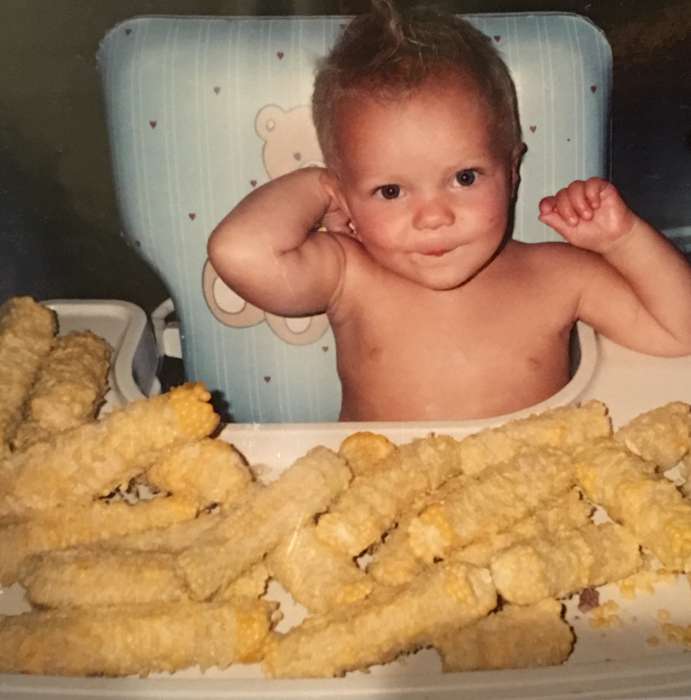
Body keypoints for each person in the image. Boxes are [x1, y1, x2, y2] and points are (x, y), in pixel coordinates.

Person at [208, 1, 691, 421]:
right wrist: (323, 186)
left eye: (464, 178)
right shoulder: (349, 274)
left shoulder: (560, 275)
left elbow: (678, 331)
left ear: (512, 169)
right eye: (391, 191)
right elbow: (240, 253)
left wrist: (622, 241)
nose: (433, 217)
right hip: (386, 505)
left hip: (531, 504)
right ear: (346, 194)